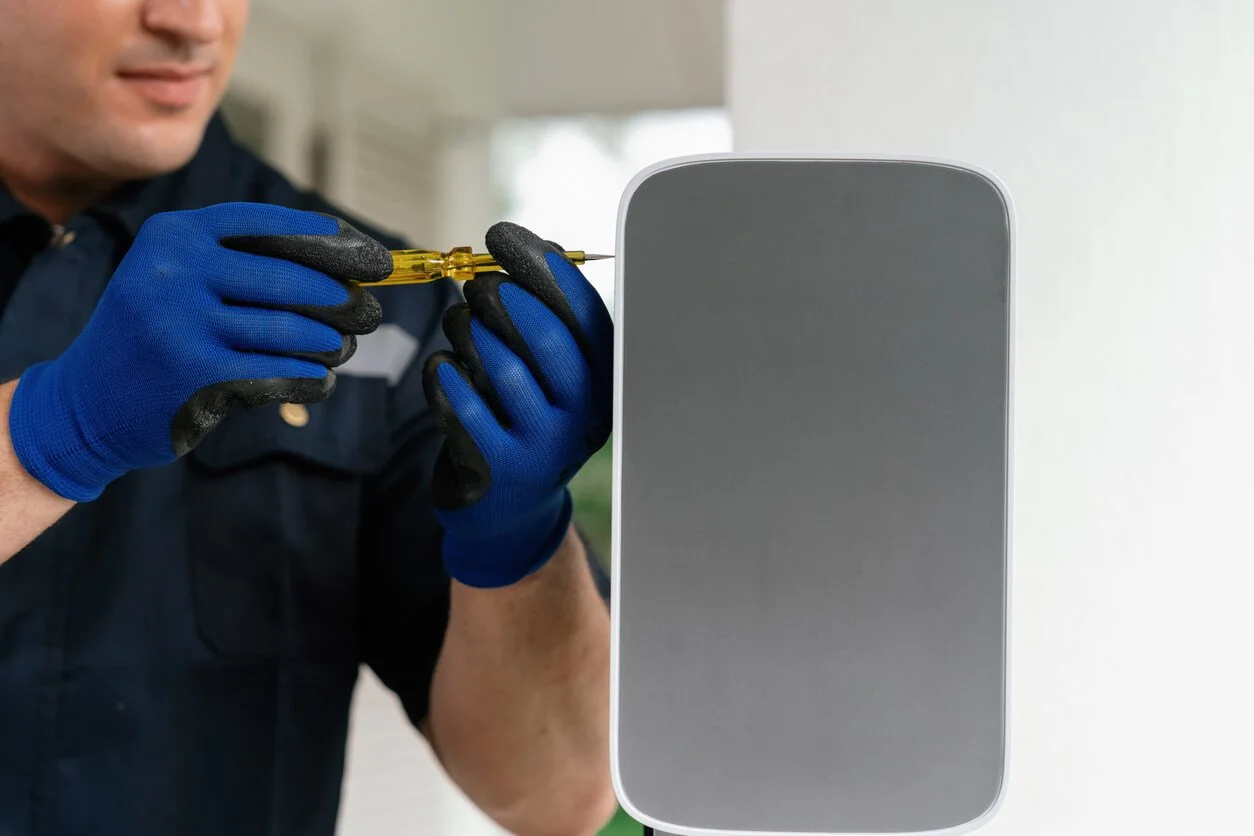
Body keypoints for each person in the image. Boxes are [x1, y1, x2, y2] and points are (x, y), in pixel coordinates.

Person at [0, 1, 618, 835]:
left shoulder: (389, 326)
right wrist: (50, 431)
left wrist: (522, 545)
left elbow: (557, 800)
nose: (193, 20)